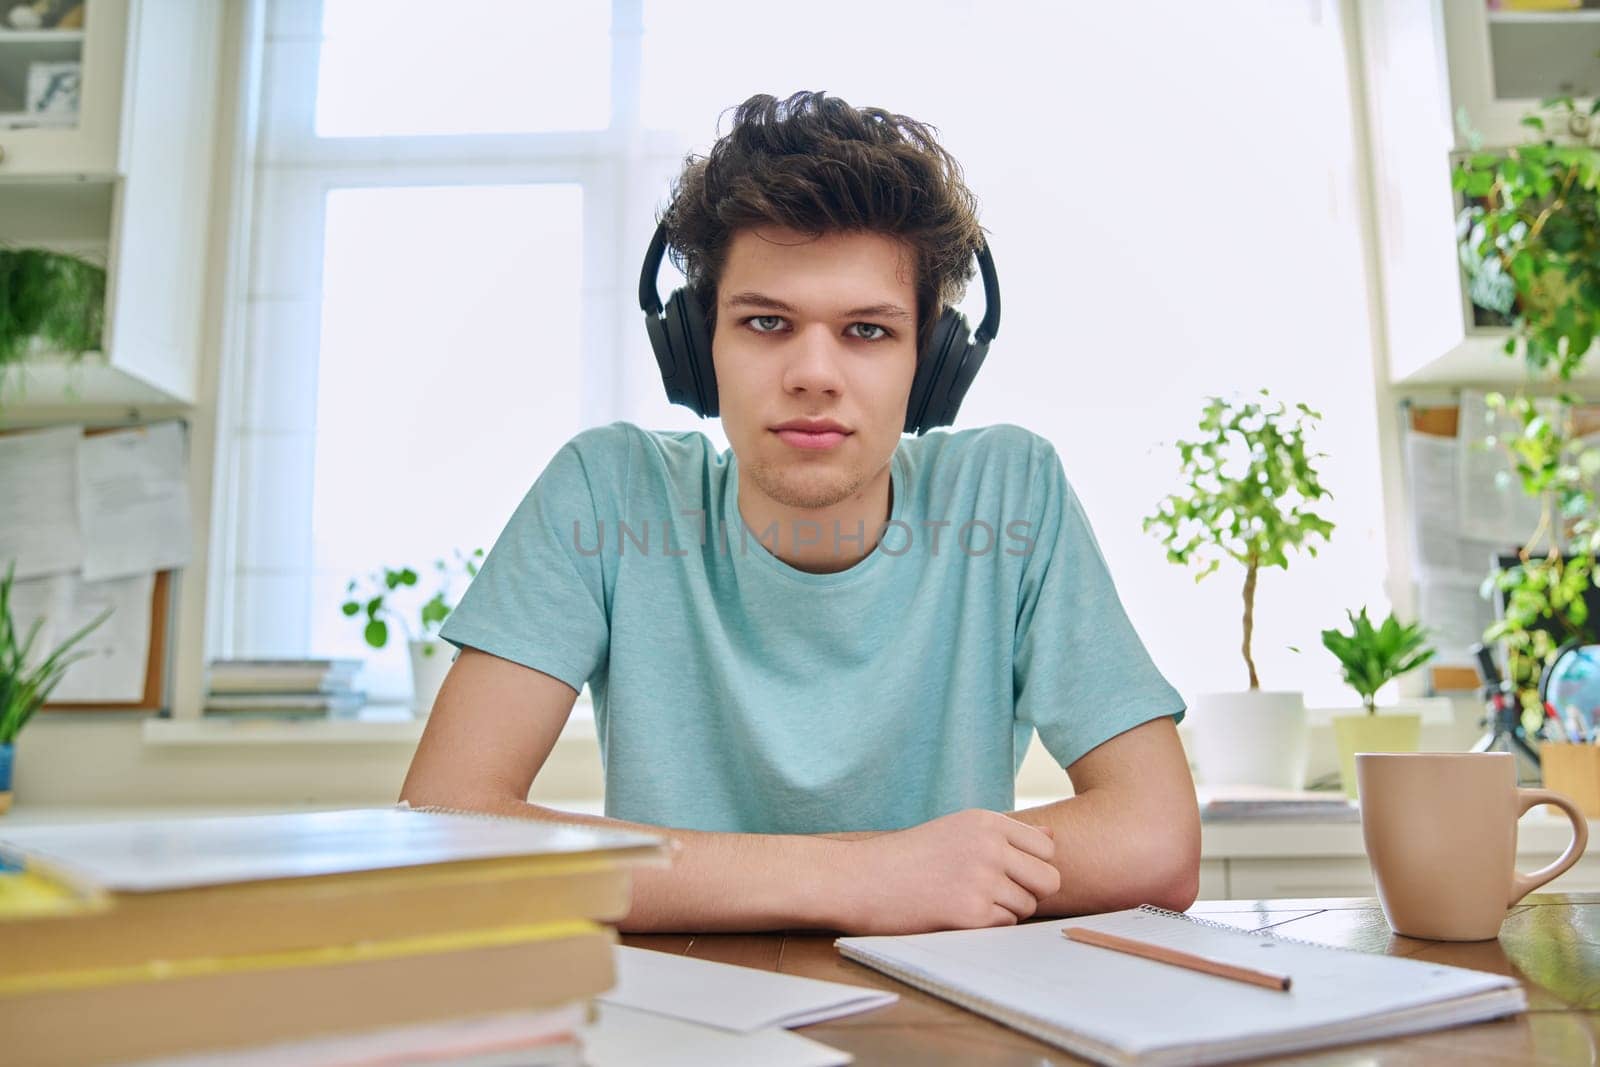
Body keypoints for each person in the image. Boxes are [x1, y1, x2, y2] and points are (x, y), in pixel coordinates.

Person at [400, 91, 1199, 934]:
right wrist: (862, 875)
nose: (814, 373)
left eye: (867, 332)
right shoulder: (608, 489)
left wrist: (773, 873)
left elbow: (1155, 838)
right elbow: (441, 831)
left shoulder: (1010, 491)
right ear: (699, 349)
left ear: (932, 365)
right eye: (767, 321)